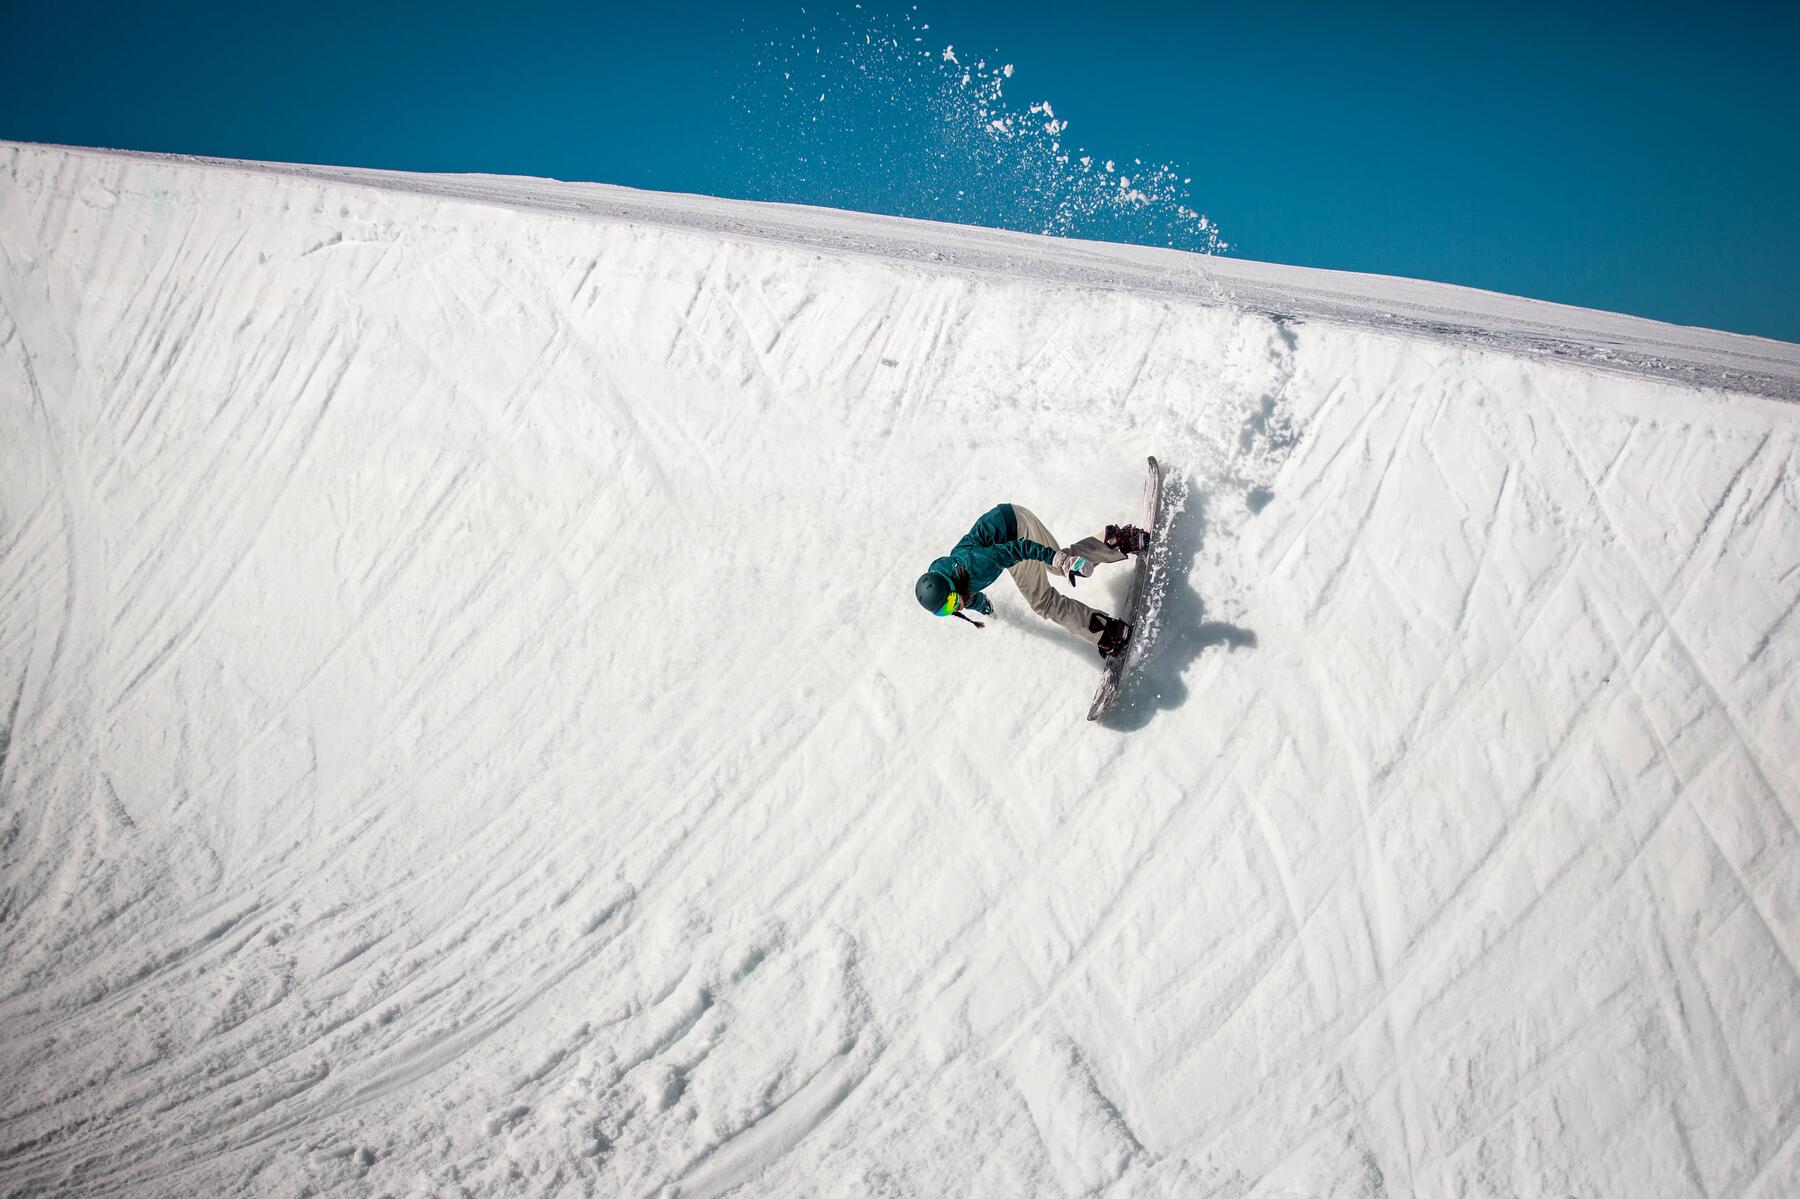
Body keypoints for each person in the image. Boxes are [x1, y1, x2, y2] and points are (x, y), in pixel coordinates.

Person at [914, 503, 1150, 658]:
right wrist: (985, 608)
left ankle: (1109, 633)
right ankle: (1114, 541)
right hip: (1009, 523)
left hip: (1016, 531)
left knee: (1044, 599)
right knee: (1057, 564)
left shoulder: (975, 564)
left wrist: (1059, 560)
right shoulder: (948, 579)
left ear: (951, 586)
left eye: (951, 601)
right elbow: (969, 594)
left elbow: (1019, 549)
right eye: (945, 611)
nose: (954, 607)